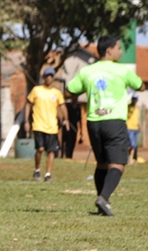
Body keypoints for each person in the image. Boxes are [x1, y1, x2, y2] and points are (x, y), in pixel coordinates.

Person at [66, 35, 143, 217]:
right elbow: (140, 85)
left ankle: (102, 203)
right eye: (118, 48)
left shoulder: (87, 71)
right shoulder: (121, 70)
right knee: (117, 164)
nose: (121, 51)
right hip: (114, 121)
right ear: (109, 50)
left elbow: (70, 90)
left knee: (101, 164)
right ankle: (104, 198)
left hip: (94, 122)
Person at [23, 66, 68, 181]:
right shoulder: (36, 90)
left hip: (52, 126)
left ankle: (48, 174)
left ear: (53, 78)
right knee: (40, 149)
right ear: (43, 77)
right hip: (38, 125)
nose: (49, 78)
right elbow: (28, 104)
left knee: (51, 150)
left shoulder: (56, 93)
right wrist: (26, 120)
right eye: (47, 76)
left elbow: (62, 106)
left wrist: (66, 119)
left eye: (51, 76)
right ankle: (37, 169)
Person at [61, 90, 82, 159]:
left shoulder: (78, 108)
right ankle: (62, 154)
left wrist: (81, 132)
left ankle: (69, 156)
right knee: (65, 141)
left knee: (72, 142)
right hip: (67, 127)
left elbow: (80, 120)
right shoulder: (68, 106)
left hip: (74, 128)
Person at [126, 95, 141, 164]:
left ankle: (131, 159)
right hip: (129, 128)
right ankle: (128, 159)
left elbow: (137, 118)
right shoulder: (127, 107)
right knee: (131, 144)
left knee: (134, 145)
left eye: (136, 99)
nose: (135, 100)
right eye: (134, 99)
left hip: (135, 128)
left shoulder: (136, 108)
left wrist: (140, 127)